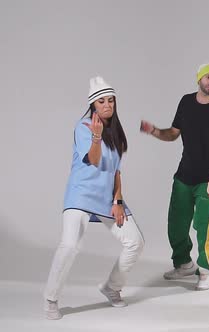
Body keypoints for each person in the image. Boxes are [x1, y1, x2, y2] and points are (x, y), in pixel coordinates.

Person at [44, 76, 145, 320]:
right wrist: (97, 137)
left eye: (111, 100)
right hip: (80, 195)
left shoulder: (117, 134)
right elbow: (94, 160)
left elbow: (116, 171)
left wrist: (118, 201)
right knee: (69, 245)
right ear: (93, 105)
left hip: (106, 197)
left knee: (135, 242)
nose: (108, 105)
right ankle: (51, 299)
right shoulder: (84, 127)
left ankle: (111, 287)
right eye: (102, 101)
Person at [140, 63, 209, 290]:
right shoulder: (185, 102)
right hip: (184, 176)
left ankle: (204, 272)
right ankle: (184, 263)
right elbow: (173, 133)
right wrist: (154, 130)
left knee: (204, 228)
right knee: (176, 225)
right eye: (208, 77)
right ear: (199, 79)